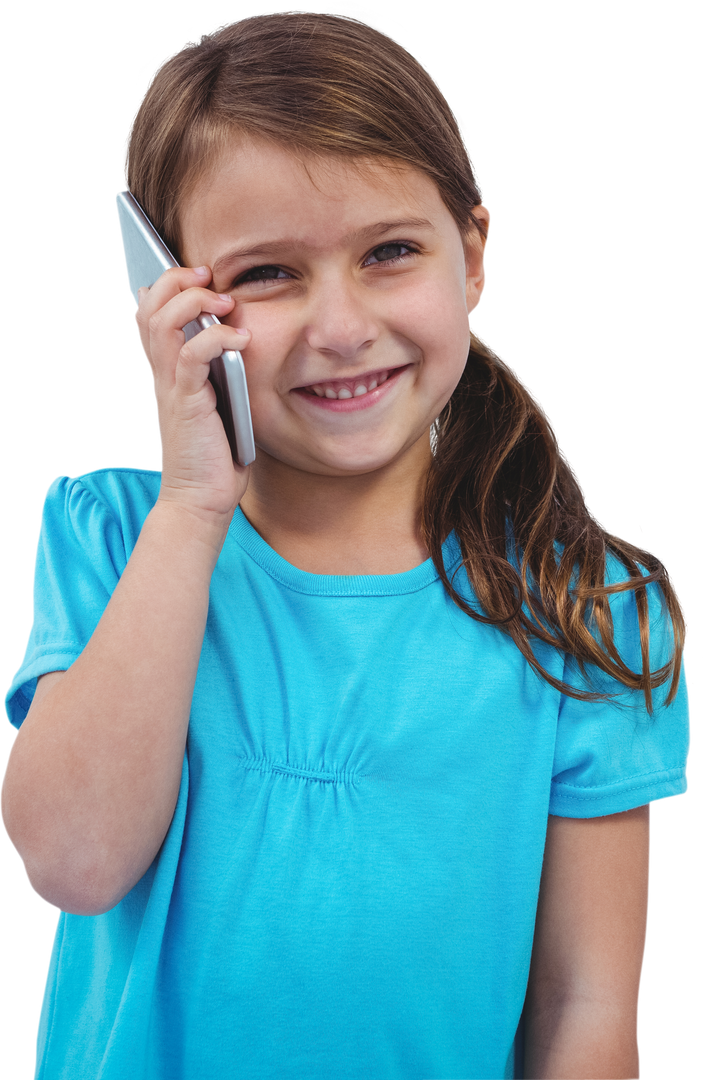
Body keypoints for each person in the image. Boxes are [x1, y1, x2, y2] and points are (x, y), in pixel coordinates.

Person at [0, 9, 693, 1079]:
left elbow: (583, 1008)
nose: (339, 326)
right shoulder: (117, 535)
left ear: (472, 256)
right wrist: (194, 504)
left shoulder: (584, 602)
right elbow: (75, 862)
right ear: (164, 296)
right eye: (268, 273)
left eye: (390, 252)